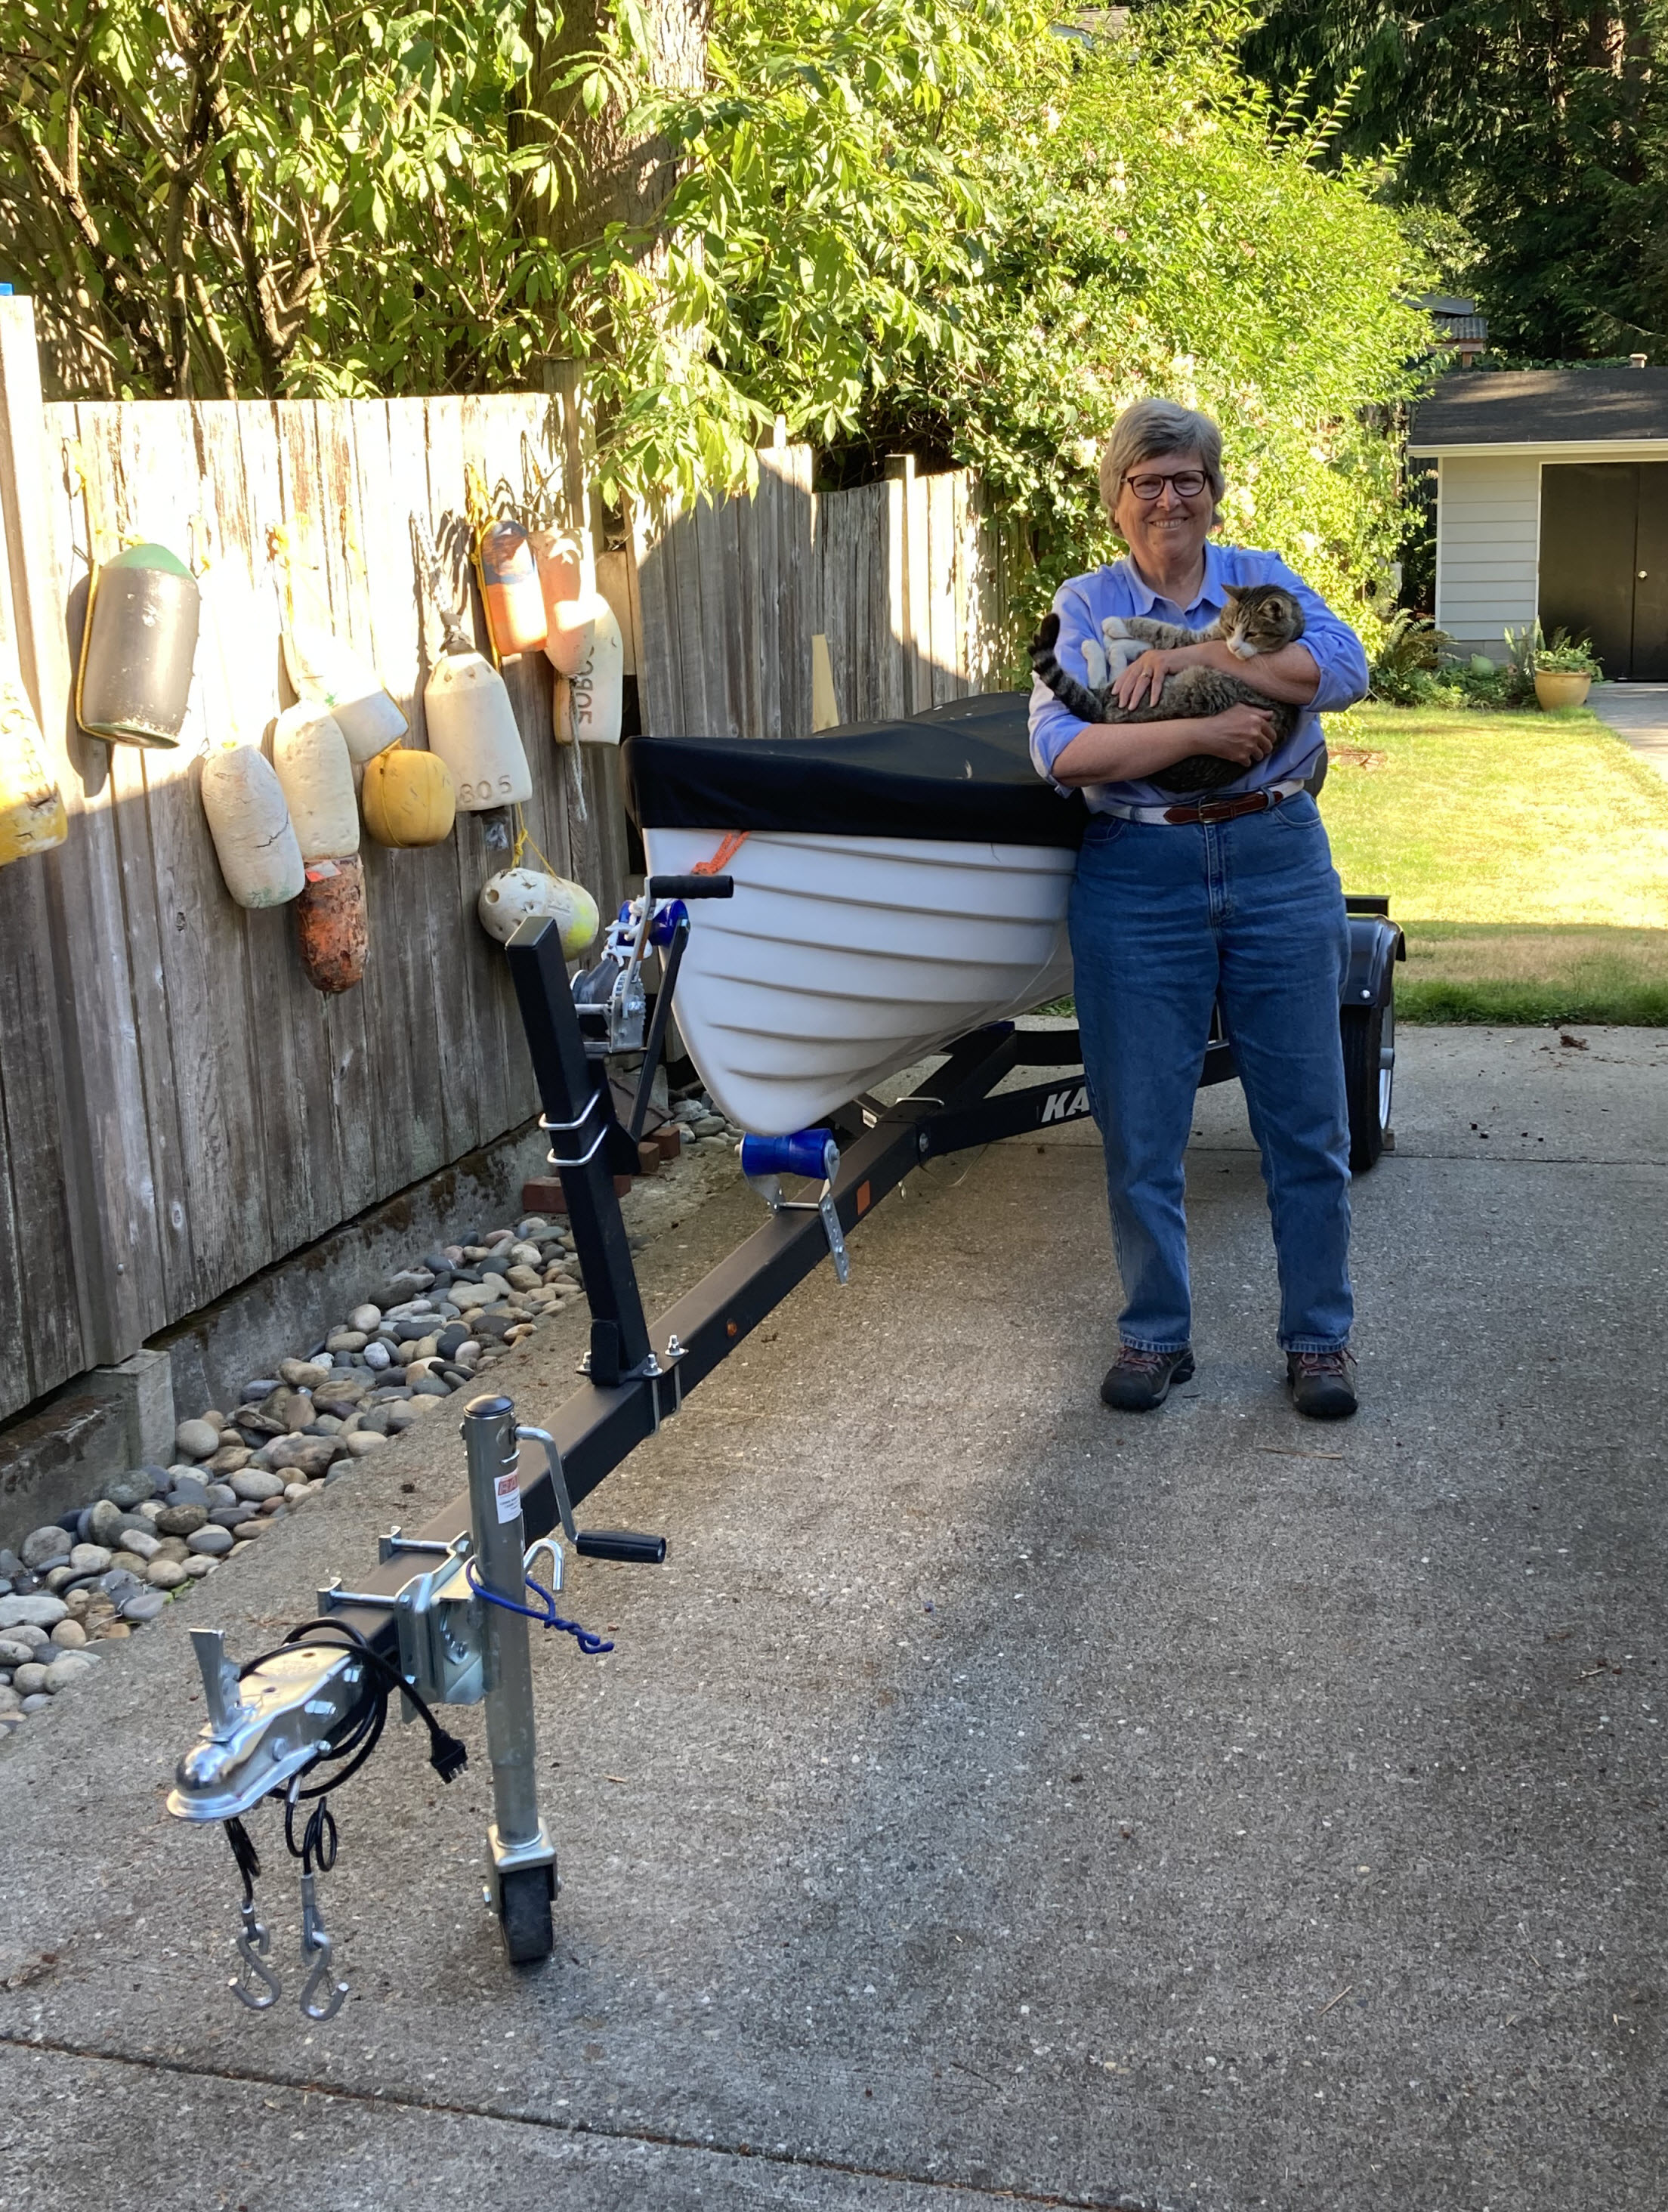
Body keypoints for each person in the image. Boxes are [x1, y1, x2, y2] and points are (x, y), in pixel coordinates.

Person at [1029, 397, 1369, 1420]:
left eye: (1187, 480)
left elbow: (1344, 671)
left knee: (1307, 1125)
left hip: (1275, 856)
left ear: (1214, 495)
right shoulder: (1085, 603)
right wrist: (1197, 738)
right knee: (1141, 1130)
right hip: (1139, 872)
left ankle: (1320, 1342)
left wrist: (1192, 660)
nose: (1169, 498)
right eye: (1147, 481)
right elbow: (1064, 752)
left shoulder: (1260, 584)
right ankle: (1154, 1335)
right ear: (1118, 500)